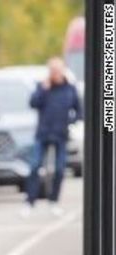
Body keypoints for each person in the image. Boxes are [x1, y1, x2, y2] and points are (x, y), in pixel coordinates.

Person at [23, 57, 82, 215]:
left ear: (63, 71)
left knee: (60, 169)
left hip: (61, 134)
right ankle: (30, 202)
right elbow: (33, 103)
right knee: (35, 166)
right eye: (52, 70)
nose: (55, 73)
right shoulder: (42, 86)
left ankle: (54, 201)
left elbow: (79, 110)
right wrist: (43, 89)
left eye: (57, 70)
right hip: (42, 133)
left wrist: (71, 121)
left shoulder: (70, 88)